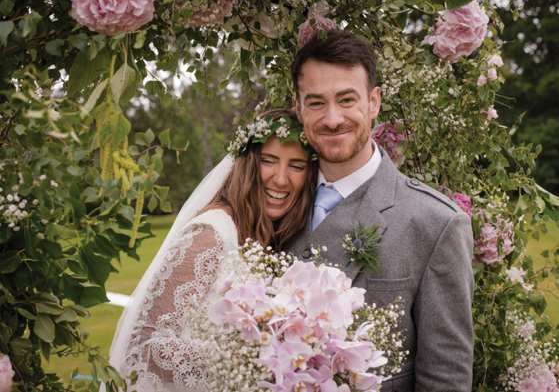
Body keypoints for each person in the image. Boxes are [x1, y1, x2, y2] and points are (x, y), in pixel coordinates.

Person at [284, 30, 475, 392]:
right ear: (298, 108)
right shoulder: (274, 203)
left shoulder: (437, 224)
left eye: (346, 99)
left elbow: (445, 379)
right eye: (316, 103)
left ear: (374, 102)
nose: (333, 118)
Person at [107, 109, 317, 392]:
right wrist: (246, 365)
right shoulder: (212, 233)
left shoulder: (268, 239)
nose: (281, 179)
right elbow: (143, 345)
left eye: (296, 165)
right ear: (248, 164)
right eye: (268, 160)